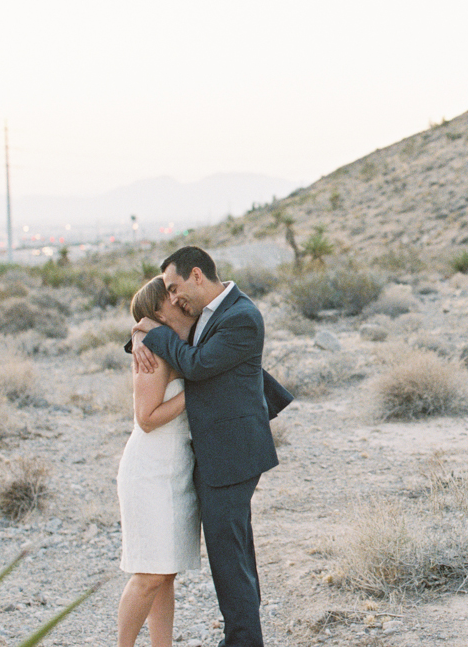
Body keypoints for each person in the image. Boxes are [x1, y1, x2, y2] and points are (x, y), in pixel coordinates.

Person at [130, 246, 287, 647]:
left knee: (229, 559)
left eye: (175, 286)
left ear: (197, 275)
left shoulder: (241, 317)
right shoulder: (208, 314)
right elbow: (168, 327)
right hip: (216, 453)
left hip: (233, 454)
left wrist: (152, 331)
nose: (175, 296)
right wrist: (139, 331)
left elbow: (196, 366)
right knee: (234, 556)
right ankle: (245, 638)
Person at [116, 276, 201, 647]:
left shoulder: (172, 342)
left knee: (165, 573)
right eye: (169, 296)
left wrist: (139, 329)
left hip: (175, 470)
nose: (178, 297)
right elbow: (146, 418)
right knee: (148, 573)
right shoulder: (150, 352)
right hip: (149, 471)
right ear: (156, 310)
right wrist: (197, 393)